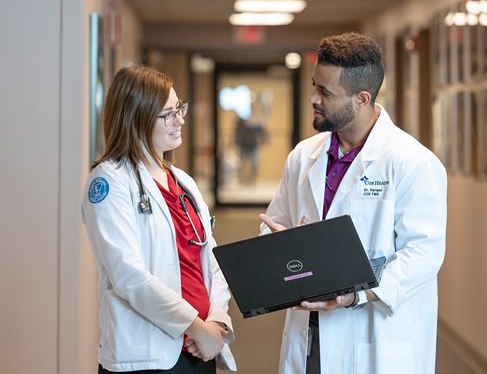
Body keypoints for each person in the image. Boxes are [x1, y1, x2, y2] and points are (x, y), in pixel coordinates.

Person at [259, 32, 447, 374]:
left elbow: (424, 253)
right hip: (311, 332)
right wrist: (281, 245)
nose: (313, 98)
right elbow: (274, 222)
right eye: (315, 86)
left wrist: (357, 295)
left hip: (375, 336)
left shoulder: (412, 162)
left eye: (325, 92)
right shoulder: (304, 156)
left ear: (361, 98)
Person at [82, 65, 236, 373]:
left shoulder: (183, 182)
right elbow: (128, 275)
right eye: (167, 114)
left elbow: (211, 260)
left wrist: (216, 321)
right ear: (137, 118)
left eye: (179, 108)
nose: (180, 119)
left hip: (200, 348)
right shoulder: (109, 182)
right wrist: (194, 326)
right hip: (146, 356)